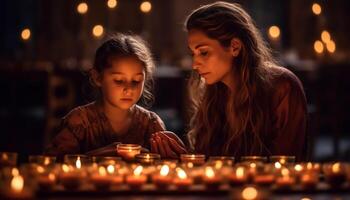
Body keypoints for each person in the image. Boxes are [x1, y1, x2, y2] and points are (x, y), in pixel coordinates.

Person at [184, 2, 307, 160]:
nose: (195, 64)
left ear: (235, 47)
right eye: (192, 54)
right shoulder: (213, 96)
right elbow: (208, 162)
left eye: (204, 52)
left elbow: (287, 164)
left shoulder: (282, 87)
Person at [45, 33, 186, 159]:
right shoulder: (80, 123)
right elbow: (54, 163)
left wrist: (173, 154)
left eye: (136, 81)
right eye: (119, 80)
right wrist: (105, 153)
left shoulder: (151, 124)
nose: (129, 89)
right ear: (97, 77)